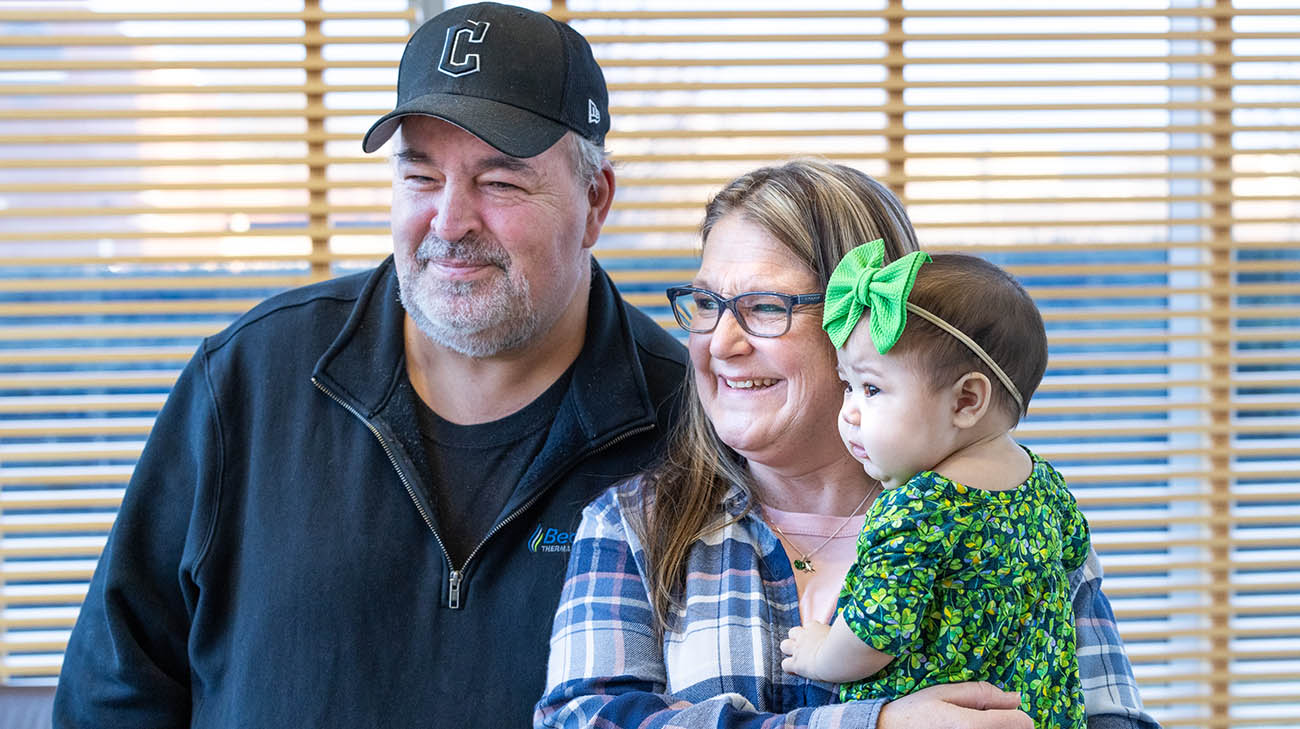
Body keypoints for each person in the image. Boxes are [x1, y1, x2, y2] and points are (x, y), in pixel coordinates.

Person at [53, 4, 687, 728]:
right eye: (421, 175)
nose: (450, 223)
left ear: (595, 200)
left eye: (501, 183)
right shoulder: (248, 383)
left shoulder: (687, 428)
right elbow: (111, 695)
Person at [535, 159, 1160, 729]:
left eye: (765, 307)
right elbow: (579, 721)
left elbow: (1114, 718)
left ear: (874, 332)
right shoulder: (635, 528)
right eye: (706, 303)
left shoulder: (1017, 518)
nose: (720, 343)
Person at [778, 243, 1091, 729]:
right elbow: (1073, 555)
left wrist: (820, 653)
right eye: (848, 385)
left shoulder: (915, 508)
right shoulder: (1044, 484)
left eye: (873, 389)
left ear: (967, 399)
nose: (850, 412)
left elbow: (874, 634)